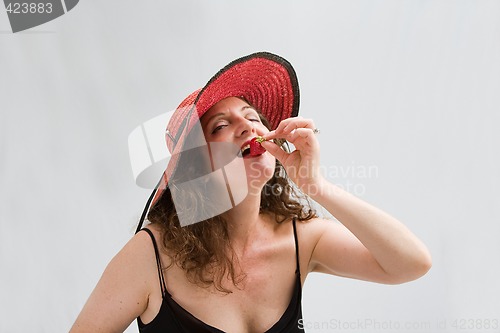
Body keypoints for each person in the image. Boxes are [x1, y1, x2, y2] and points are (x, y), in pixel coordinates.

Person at [70, 52, 432, 333]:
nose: (247, 125)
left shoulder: (299, 239)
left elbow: (411, 263)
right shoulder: (150, 257)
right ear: (195, 166)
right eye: (221, 125)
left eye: (253, 116)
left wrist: (317, 187)